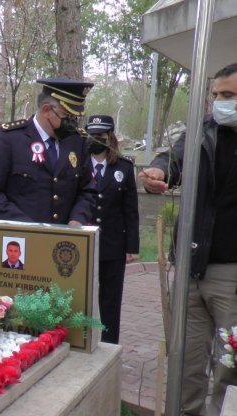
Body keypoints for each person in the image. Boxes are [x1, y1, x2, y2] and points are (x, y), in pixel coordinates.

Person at [139, 63, 237, 416]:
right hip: (192, 269)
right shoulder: (201, 131)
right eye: (215, 96)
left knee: (230, 368)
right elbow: (173, 158)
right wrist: (159, 170)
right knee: (187, 366)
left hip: (231, 275)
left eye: (228, 96)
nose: (219, 104)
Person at [0, 78, 96, 226]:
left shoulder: (77, 141)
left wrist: (77, 218)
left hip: (64, 242)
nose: (72, 124)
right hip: (20, 239)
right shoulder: (10, 138)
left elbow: (88, 190)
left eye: (75, 118)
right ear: (46, 110)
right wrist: (25, 226)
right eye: (67, 117)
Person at [84, 115, 139, 344]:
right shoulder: (78, 164)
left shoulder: (123, 168)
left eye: (100, 136)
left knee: (110, 299)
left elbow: (130, 210)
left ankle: (108, 344)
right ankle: (81, 340)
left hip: (112, 244)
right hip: (83, 243)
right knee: (82, 296)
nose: (96, 139)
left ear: (110, 137)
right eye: (91, 135)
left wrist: (132, 246)